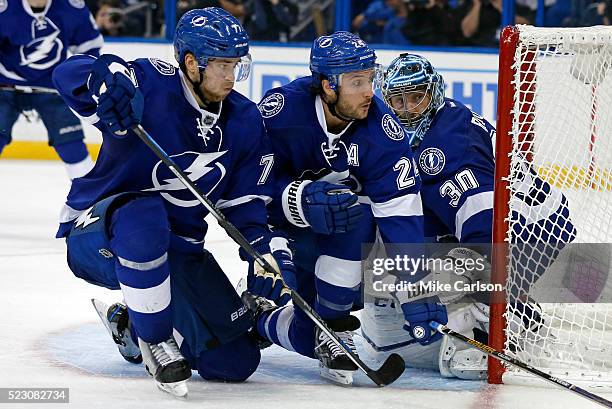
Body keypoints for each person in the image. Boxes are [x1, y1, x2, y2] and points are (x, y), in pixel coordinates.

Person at [51, 7, 296, 397]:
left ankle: (129, 322)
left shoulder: (244, 120)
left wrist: (267, 256)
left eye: (236, 65)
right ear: (190, 63)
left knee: (234, 363)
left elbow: (245, 208)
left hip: (177, 250)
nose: (231, 77)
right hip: (99, 234)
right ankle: (154, 339)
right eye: (221, 66)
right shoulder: (150, 83)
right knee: (144, 214)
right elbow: (66, 75)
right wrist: (106, 76)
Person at [360, 53, 577, 379]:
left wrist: (478, 288)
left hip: (532, 230)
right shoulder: (438, 124)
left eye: (416, 98)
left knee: (453, 276)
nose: (407, 110)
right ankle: (521, 316)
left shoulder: (447, 145)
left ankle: (486, 336)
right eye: (398, 101)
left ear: (434, 94)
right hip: (530, 222)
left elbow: (481, 220)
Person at [252, 32, 447, 386]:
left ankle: (324, 328)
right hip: (280, 229)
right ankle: (255, 313)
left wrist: (415, 286)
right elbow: (250, 188)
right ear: (327, 85)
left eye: (370, 78)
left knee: (355, 214)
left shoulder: (383, 130)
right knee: (230, 353)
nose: (369, 91)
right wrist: (297, 200)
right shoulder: (281, 114)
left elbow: (400, 215)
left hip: (336, 231)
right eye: (356, 82)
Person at [0, 0, 101, 179]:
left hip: (52, 88)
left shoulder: (71, 7)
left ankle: (90, 198)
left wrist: (86, 81)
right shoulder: (4, 7)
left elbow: (89, 48)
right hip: (5, 89)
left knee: (72, 146)